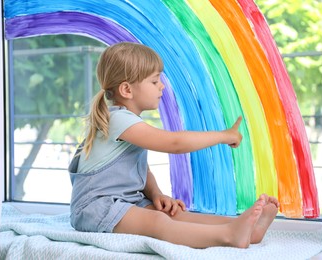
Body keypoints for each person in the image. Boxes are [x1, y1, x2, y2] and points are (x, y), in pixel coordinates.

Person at [69, 42, 279, 249]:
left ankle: (247, 230)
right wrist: (223, 136)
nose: (162, 86)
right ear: (126, 89)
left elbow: (140, 170)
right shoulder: (118, 120)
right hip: (95, 208)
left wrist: (157, 194)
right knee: (157, 222)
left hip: (125, 202)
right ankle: (228, 235)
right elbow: (175, 143)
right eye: (154, 81)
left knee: (173, 214)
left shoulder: (126, 122)